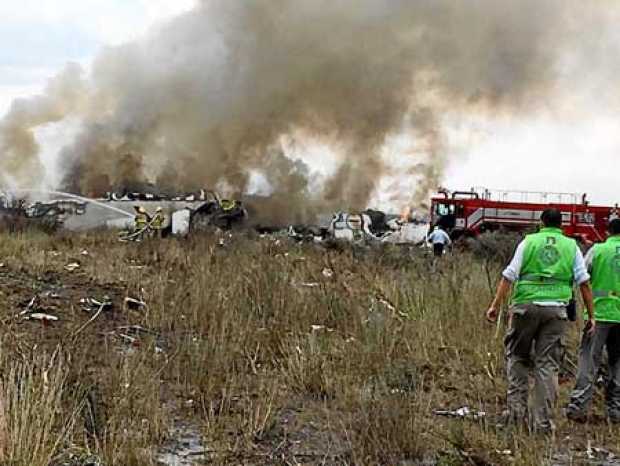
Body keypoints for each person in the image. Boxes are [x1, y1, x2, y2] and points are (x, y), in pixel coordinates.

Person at [485, 208, 595, 433]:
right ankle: (542, 424)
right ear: (561, 225)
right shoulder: (571, 246)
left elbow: (509, 275)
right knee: (547, 365)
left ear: (541, 223)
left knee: (517, 357)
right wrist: (591, 315)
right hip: (556, 311)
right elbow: (584, 282)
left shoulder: (528, 242)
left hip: (525, 307)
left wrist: (495, 306)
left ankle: (516, 416)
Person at [566, 218, 620, 423]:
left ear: (608, 232)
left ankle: (578, 408)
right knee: (618, 363)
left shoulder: (598, 251)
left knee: (589, 360)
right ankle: (615, 410)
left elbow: (582, 277)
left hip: (599, 314)